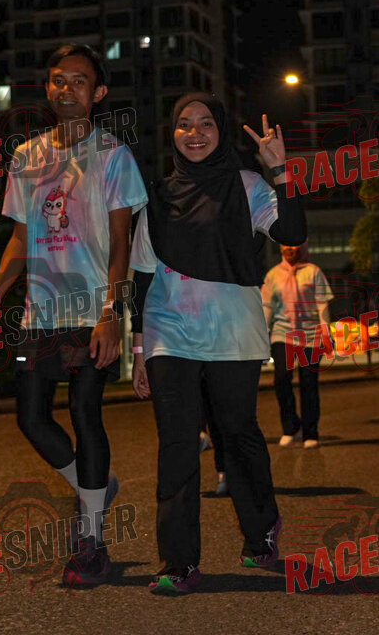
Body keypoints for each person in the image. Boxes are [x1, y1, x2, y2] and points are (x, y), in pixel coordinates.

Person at [0, 43, 147, 586]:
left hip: (92, 309)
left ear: (99, 93)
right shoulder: (27, 156)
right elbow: (21, 239)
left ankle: (91, 540)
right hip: (39, 312)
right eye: (58, 80)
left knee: (86, 412)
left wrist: (113, 314)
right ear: (47, 88)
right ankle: (97, 488)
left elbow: (122, 243)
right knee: (31, 418)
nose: (67, 89)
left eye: (79, 81)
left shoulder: (113, 155)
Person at [130, 92, 306, 595]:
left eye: (206, 123)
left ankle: (261, 527)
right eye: (184, 124)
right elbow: (142, 276)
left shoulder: (247, 185)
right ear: (173, 133)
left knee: (236, 433)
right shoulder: (157, 196)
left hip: (233, 330)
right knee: (178, 443)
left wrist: (280, 171)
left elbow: (293, 231)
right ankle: (179, 561)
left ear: (221, 130)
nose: (195, 133)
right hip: (169, 332)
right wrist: (139, 349)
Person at [261, 242, 333, 448]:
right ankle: (291, 426)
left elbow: (322, 304)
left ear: (301, 246)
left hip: (310, 335)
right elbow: (267, 306)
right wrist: (262, 334)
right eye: (285, 244)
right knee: (281, 378)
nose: (289, 248)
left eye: (294, 245)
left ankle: (311, 432)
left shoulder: (313, 272)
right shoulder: (273, 275)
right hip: (283, 334)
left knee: (309, 382)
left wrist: (326, 332)